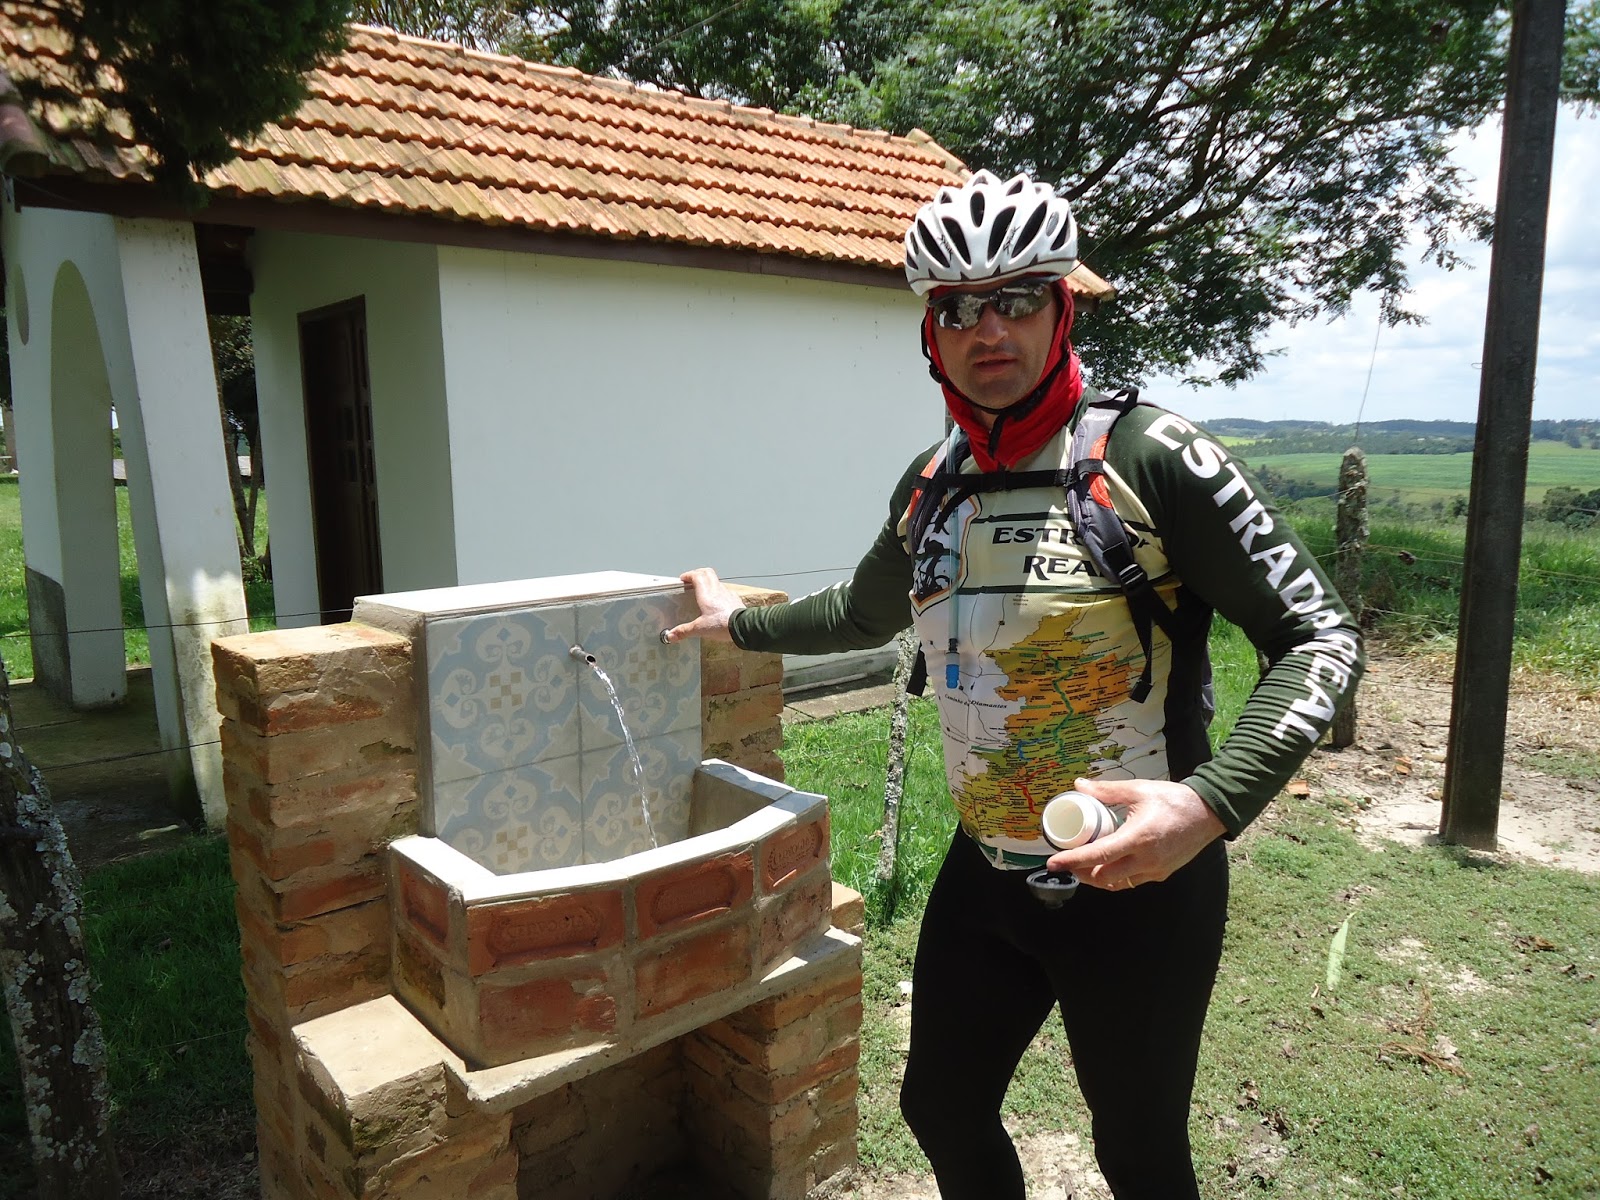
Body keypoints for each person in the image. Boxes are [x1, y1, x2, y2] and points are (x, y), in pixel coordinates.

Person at [664, 169, 1363, 1200]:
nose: (986, 329)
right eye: (956, 309)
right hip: (988, 865)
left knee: (1138, 1155)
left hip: (1139, 886)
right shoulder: (932, 482)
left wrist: (1209, 804)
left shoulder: (1151, 456)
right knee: (940, 1109)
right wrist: (740, 623)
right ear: (931, 334)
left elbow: (1319, 634)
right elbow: (860, 613)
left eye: (1017, 299)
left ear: (1061, 308)